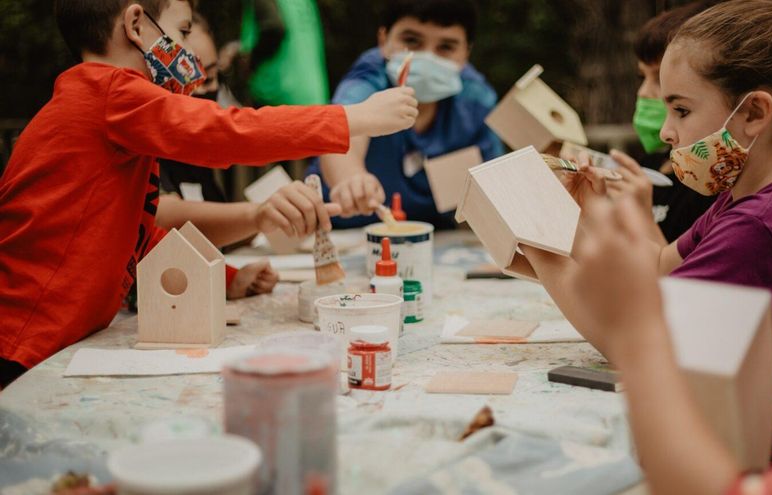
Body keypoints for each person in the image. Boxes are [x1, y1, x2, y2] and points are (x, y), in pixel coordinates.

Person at [534, 6, 772, 493]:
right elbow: (657, 267)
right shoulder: (741, 201)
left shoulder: (764, 225)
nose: (666, 132)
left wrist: (538, 249)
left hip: (767, 459)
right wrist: (590, 214)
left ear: (755, 113)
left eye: (681, 109)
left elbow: (638, 336)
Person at [0, 0, 418, 387]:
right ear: (135, 25)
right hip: (26, 344)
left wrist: (226, 279)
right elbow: (227, 131)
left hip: (48, 341)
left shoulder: (106, 107)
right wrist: (353, 118)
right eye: (181, 32)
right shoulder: (111, 92)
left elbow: (133, 234)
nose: (186, 53)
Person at [313, 0, 504, 229]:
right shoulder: (368, 77)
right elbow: (342, 128)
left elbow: (495, 182)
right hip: (343, 229)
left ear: (466, 52)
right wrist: (350, 179)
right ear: (384, 40)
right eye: (412, 41)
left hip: (432, 238)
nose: (427, 56)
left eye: (446, 47)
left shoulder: (476, 98)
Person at [156, 14, 341, 248]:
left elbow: (208, 236)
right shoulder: (147, 141)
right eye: (190, 77)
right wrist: (257, 216)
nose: (203, 89)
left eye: (211, 77)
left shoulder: (196, 152)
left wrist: (270, 219)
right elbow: (162, 218)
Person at [628, 1, 720, 241]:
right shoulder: (648, 165)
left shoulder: (710, 182)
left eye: (658, 77)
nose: (643, 92)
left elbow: (668, 273)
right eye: (641, 76)